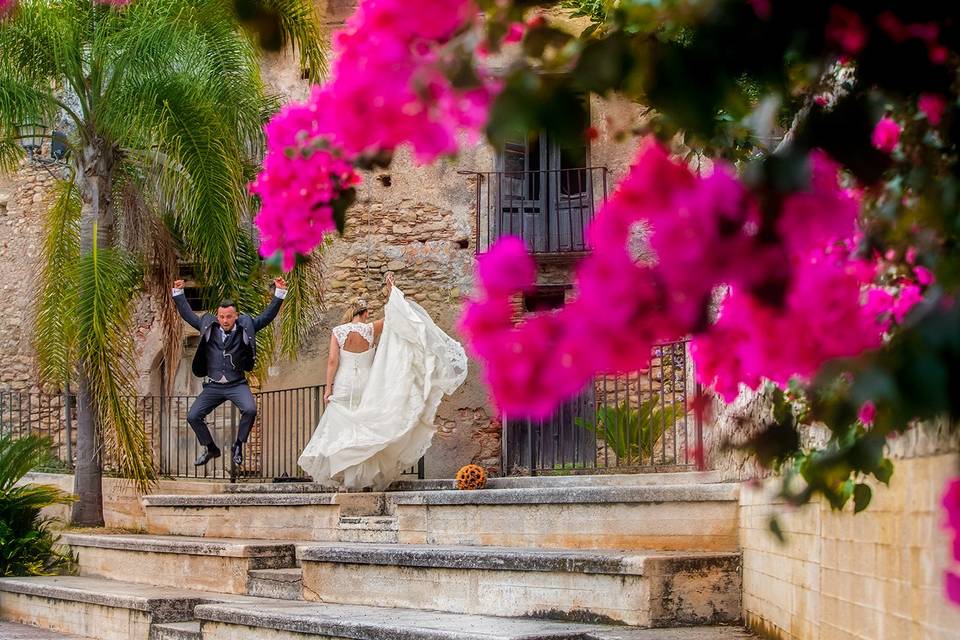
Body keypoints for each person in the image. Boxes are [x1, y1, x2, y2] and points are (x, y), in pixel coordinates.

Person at [298, 274, 468, 490]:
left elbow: (333, 361)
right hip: (368, 383)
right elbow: (397, 318)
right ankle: (361, 477)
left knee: (344, 426)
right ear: (366, 313)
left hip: (344, 382)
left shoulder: (338, 332)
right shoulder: (371, 329)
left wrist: (328, 388)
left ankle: (347, 473)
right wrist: (391, 291)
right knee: (365, 427)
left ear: (351, 313)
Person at [172, 277, 287, 466]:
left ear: (236, 316)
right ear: (218, 316)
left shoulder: (246, 326)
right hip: (214, 385)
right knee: (193, 416)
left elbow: (267, 317)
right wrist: (179, 293)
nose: (225, 320)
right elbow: (188, 315)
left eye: (229, 317)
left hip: (236, 383)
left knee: (250, 409)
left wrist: (279, 293)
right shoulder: (208, 326)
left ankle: (238, 446)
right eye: (222, 317)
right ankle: (211, 449)